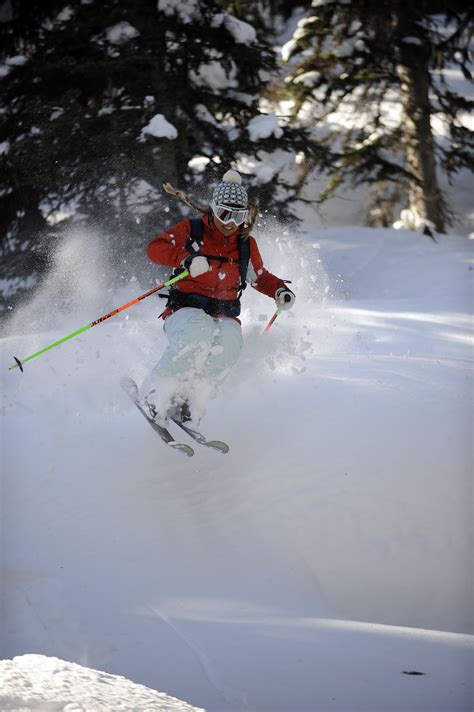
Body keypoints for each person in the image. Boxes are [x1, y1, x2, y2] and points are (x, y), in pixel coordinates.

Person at [141, 169, 295, 425]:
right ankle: (156, 392)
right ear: (213, 209)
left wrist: (279, 290)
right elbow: (155, 248)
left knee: (231, 342)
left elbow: (259, 277)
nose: (230, 222)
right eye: (224, 213)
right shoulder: (193, 231)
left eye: (238, 215)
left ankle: (191, 402)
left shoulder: (245, 244)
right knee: (199, 330)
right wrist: (186, 259)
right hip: (184, 311)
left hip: (224, 313)